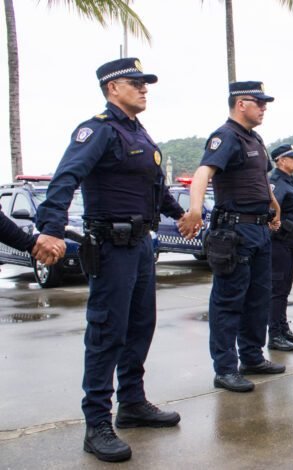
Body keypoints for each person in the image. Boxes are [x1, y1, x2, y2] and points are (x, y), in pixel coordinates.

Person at [33, 58, 183, 463]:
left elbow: (156, 190)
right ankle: (97, 422)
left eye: (145, 83)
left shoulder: (139, 133)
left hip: (140, 246)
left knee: (140, 326)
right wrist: (50, 227)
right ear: (112, 88)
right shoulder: (97, 130)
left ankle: (133, 402)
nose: (144, 88)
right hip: (112, 246)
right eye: (136, 83)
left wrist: (180, 214)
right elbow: (66, 177)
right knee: (106, 331)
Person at [179, 81, 285, 394]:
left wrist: (274, 207)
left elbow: (262, 181)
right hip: (235, 231)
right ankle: (225, 369)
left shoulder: (255, 139)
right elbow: (203, 173)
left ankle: (251, 357)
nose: (264, 108)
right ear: (241, 104)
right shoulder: (225, 136)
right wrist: (196, 209)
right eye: (259, 102)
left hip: (260, 228)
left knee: (258, 297)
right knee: (228, 301)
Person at [267, 144, 293, 351]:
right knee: (277, 289)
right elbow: (271, 211)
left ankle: (283, 328)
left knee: (285, 289)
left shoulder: (290, 181)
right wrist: (284, 226)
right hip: (280, 242)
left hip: (292, 242)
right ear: (281, 160)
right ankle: (274, 335)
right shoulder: (276, 182)